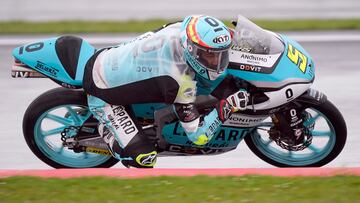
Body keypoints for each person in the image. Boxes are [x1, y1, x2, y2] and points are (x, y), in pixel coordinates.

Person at [83, 15, 249, 168]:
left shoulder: (181, 28)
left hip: (110, 57)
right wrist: (226, 108)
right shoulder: (179, 83)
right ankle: (105, 130)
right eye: (210, 56)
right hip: (101, 89)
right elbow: (198, 137)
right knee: (144, 159)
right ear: (191, 50)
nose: (217, 62)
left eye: (222, 54)